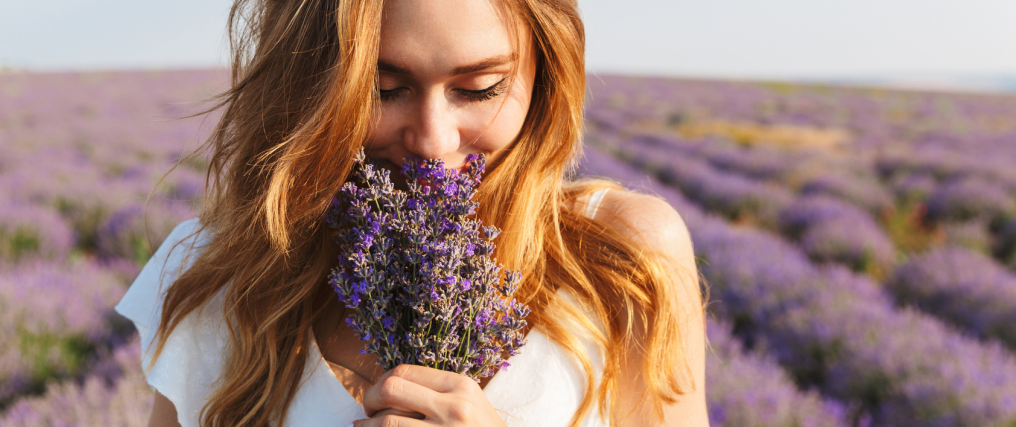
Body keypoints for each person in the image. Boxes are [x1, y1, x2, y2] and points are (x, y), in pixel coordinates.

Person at [113, 0, 709, 425]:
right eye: (381, 88)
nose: (431, 140)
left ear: (545, 75)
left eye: (478, 89)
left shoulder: (622, 259)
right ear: (310, 88)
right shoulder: (219, 270)